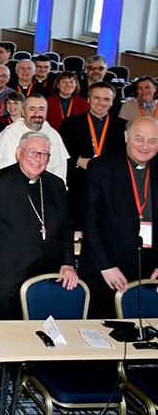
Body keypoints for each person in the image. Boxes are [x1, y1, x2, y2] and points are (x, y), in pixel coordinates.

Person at [0, 131, 78, 321]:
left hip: (47, 274)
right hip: (6, 277)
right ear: (18, 152)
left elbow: (67, 227)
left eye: (44, 154)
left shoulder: (56, 185)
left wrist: (68, 263)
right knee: (2, 334)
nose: (38, 159)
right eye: (32, 152)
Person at [81, 117, 158, 318]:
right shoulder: (100, 168)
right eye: (139, 138)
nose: (145, 146)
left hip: (151, 272)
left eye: (153, 140)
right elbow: (91, 224)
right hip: (108, 271)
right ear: (126, 137)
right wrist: (106, 266)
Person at [59, 82, 126, 229]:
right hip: (78, 186)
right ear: (88, 99)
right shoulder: (70, 123)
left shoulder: (123, 127)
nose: (101, 103)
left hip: (111, 189)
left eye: (106, 99)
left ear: (113, 102)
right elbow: (60, 154)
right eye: (96, 98)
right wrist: (77, 160)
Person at [0, 94, 69, 180]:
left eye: (41, 109)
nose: (37, 114)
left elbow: (60, 171)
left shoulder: (53, 135)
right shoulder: (9, 134)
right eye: (32, 109)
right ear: (23, 112)